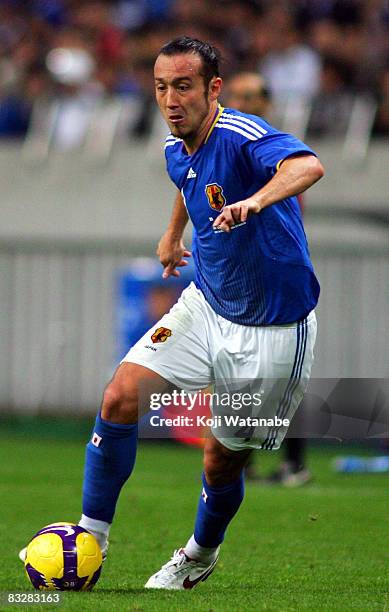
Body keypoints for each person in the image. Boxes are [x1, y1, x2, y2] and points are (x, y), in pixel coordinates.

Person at [20, 36, 324, 589]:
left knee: (219, 460)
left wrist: (256, 200)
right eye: (161, 87)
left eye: (182, 86)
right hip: (205, 304)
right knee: (119, 397)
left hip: (273, 329)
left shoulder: (242, 133)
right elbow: (187, 180)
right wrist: (171, 233)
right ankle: (90, 538)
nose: (170, 98)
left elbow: (308, 164)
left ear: (212, 89)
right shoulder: (173, 145)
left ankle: (199, 555)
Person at [224, 71, 313, 487]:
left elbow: (297, 201)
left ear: (266, 102)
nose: (242, 101)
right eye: (236, 94)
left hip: (274, 274)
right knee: (234, 372)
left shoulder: (277, 150)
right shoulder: (219, 144)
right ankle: (241, 463)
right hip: (236, 277)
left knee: (282, 376)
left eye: (251, 95)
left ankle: (294, 462)